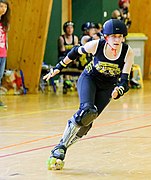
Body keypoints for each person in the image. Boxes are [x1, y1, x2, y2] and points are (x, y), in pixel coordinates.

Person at [44, 19, 134, 170]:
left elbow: (125, 82)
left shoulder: (127, 52)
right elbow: (74, 52)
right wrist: (59, 67)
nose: (117, 40)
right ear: (106, 37)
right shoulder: (96, 45)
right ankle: (59, 148)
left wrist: (119, 90)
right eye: (113, 36)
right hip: (89, 79)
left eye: (120, 36)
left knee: (87, 123)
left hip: (107, 88)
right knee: (86, 111)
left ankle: (62, 147)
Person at [58, 21, 79, 94]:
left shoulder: (75, 38)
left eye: (71, 28)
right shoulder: (61, 38)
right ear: (65, 29)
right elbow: (62, 50)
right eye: (68, 28)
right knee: (64, 60)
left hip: (73, 58)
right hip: (64, 57)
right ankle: (67, 81)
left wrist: (74, 58)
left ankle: (78, 83)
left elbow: (76, 50)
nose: (70, 29)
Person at [0, 0, 10, 107]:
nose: (3, 9)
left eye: (5, 7)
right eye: (1, 6)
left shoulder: (5, 22)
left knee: (0, 77)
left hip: (3, 53)